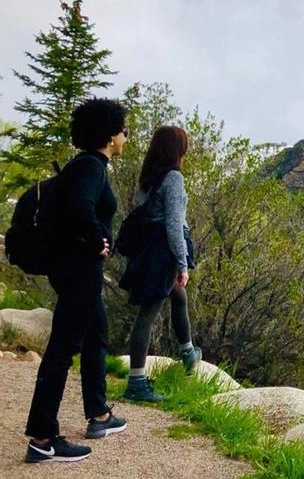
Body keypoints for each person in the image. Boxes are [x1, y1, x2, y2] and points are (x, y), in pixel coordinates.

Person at [25, 98, 129, 464]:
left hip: (73, 269)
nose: (126, 136)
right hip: (79, 271)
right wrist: (99, 238)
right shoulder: (91, 167)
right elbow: (81, 207)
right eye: (123, 129)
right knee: (61, 350)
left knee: (97, 331)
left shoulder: (86, 165)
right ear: (109, 134)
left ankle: (99, 415)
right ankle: (42, 437)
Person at [122, 125, 200, 403]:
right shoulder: (173, 179)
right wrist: (182, 263)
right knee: (149, 312)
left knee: (178, 296)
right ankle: (137, 382)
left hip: (147, 249)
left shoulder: (147, 180)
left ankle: (188, 353)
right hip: (164, 252)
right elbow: (173, 225)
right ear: (177, 150)